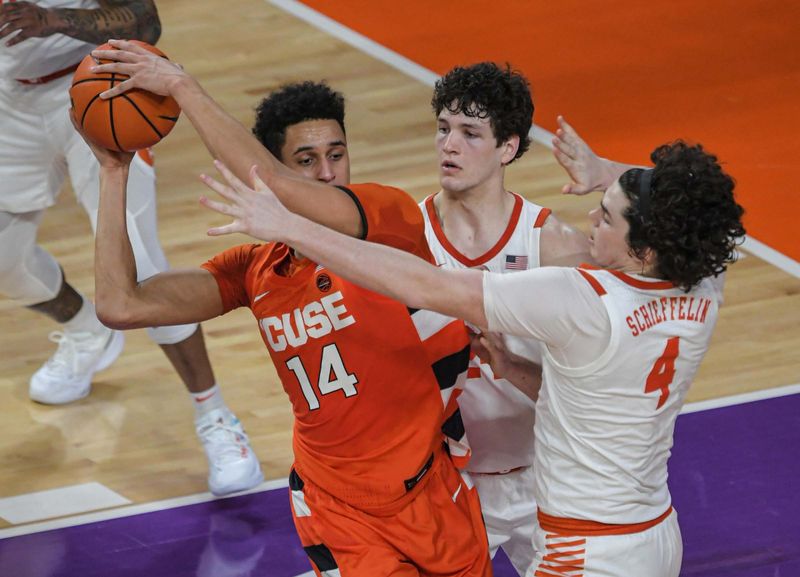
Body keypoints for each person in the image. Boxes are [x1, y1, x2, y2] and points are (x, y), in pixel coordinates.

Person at [200, 139, 745, 577]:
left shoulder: (581, 300)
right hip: (656, 534)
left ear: (645, 248)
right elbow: (708, 207)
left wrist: (292, 228)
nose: (591, 223)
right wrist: (613, 176)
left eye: (606, 218)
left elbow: (426, 283)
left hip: (587, 552)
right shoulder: (702, 284)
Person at [83, 42, 492, 577]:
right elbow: (120, 304)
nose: (326, 173)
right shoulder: (256, 270)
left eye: (336, 154)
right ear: (273, 165)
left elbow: (279, 189)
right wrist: (115, 174)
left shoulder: (387, 217)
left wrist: (182, 86)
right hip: (338, 509)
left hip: (432, 487)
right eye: (306, 160)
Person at [0, 1, 261, 496]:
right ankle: (86, 334)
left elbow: (144, 18)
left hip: (99, 88)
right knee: (4, 261)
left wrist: (53, 19)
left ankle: (215, 416)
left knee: (140, 269)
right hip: (8, 103)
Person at [421, 62, 594, 575]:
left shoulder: (553, 242)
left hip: (546, 478)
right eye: (444, 128)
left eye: (470, 133)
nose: (449, 145)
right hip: (451, 483)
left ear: (508, 148)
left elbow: (592, 383)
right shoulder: (410, 237)